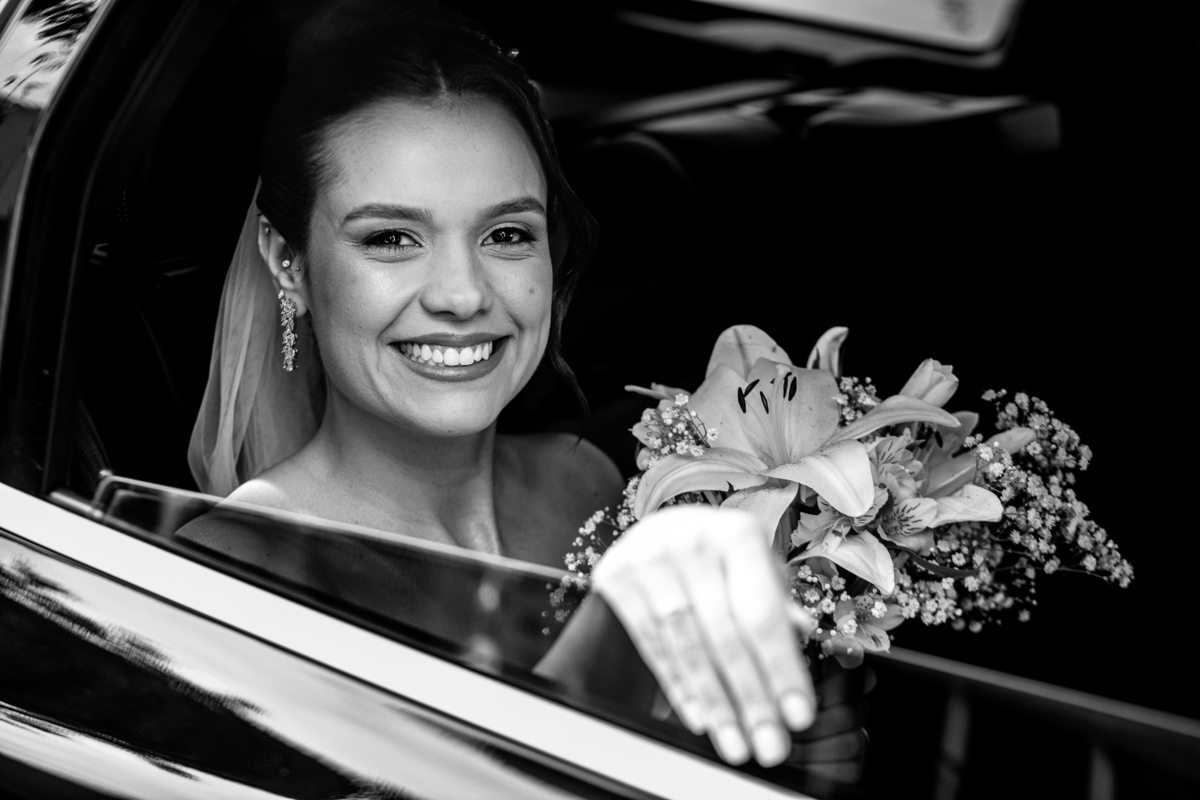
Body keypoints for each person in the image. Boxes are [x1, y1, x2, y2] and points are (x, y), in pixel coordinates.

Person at [184, 1, 862, 773]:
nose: (462, 294)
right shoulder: (227, 576)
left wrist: (785, 752)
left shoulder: (596, 481)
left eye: (505, 234)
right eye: (392, 238)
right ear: (288, 263)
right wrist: (609, 641)